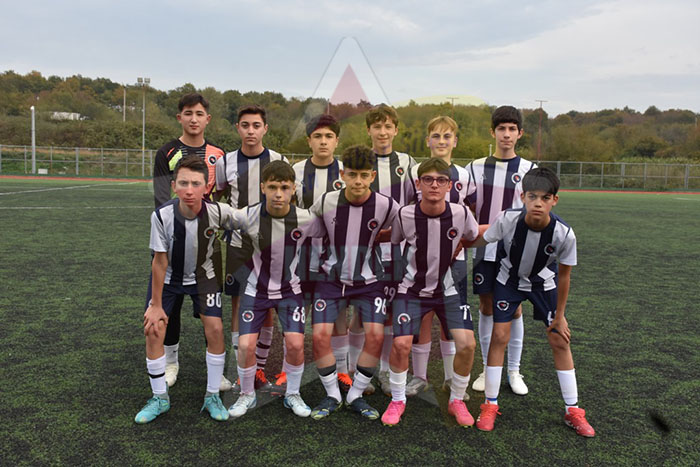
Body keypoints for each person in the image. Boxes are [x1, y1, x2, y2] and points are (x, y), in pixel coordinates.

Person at [473, 167, 595, 437]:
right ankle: (490, 404)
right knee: (499, 336)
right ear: (523, 197)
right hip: (508, 281)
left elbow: (564, 276)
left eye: (545, 198)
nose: (538, 203)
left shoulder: (564, 233)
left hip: (543, 284)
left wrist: (560, 316)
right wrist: (452, 241)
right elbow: (482, 237)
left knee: (559, 339)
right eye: (532, 196)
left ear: (554, 200)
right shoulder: (508, 219)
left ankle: (573, 410)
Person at [380, 158, 479, 427]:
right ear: (418, 183)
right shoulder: (405, 214)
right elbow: (395, 239)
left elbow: (472, 235)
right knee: (401, 343)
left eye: (440, 180)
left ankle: (456, 399)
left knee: (467, 344)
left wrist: (460, 245)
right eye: (428, 179)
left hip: (449, 291)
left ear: (449, 185)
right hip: (411, 290)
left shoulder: (461, 213)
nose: (434, 185)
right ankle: (397, 399)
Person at [135, 156, 230, 424]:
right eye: (184, 183)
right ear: (174, 186)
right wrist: (155, 305)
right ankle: (159, 398)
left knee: (215, 328)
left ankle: (212, 396)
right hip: (169, 279)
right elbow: (159, 261)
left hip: (204, 278)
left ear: (206, 187)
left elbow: (250, 223)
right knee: (154, 328)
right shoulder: (161, 215)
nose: (189, 190)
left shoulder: (218, 212)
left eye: (196, 183)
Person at [227, 161, 325, 418]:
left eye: (284, 187)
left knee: (295, 344)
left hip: (290, 291)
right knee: (245, 345)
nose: (278, 194)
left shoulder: (305, 219)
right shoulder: (248, 215)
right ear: (263, 188)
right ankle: (246, 394)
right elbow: (220, 216)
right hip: (255, 290)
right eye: (272, 187)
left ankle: (293, 393)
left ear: (293, 189)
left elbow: (334, 229)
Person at [309, 145, 399, 420]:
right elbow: (310, 230)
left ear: (372, 175)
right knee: (319, 335)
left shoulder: (386, 205)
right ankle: (333, 395)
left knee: (375, 335)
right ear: (342, 174)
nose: (358, 181)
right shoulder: (326, 201)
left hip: (369, 281)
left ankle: (355, 394)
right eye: (352, 174)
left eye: (363, 175)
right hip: (330, 279)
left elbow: (404, 228)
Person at [150, 93, 229, 391]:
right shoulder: (167, 152)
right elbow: (161, 197)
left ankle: (216, 371)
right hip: (173, 241)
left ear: (207, 118)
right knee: (169, 305)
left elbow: (221, 196)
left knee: (210, 313)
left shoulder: (218, 155)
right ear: (179, 117)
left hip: (207, 246)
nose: (193, 119)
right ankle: (171, 362)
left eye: (198, 113)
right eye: (187, 113)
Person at [215, 105, 288, 392]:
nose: (250, 131)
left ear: (265, 129)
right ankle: (240, 369)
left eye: (256, 125)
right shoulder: (226, 162)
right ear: (238, 128)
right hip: (238, 244)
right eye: (245, 125)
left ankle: (258, 368)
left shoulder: (278, 159)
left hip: (270, 243)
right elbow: (219, 194)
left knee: (266, 305)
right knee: (239, 303)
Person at [466, 106, 537, 396]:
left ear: (520, 133)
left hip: (516, 252)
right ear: (492, 132)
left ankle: (514, 370)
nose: (506, 134)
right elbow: (467, 209)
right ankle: (487, 368)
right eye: (501, 129)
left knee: (515, 308)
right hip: (485, 250)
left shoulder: (530, 169)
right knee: (486, 306)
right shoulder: (475, 167)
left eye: (512, 129)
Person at [402, 116, 472, 397]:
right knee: (423, 317)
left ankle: (450, 377)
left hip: (454, 258)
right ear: (428, 140)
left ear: (455, 141)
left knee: (450, 319)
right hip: (421, 257)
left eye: (447, 136)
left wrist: (461, 241)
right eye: (436, 136)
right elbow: (408, 209)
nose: (441, 141)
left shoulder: (464, 174)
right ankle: (419, 376)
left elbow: (470, 212)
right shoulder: (414, 172)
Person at [285, 114, 352, 394]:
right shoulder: (297, 171)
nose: (323, 142)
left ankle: (343, 370)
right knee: (295, 312)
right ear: (309, 141)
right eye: (318, 136)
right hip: (301, 256)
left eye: (328, 137)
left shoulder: (346, 172)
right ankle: (287, 368)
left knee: (339, 315)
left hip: (336, 257)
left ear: (337, 141)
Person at [363, 104, 417, 395]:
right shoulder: (361, 161)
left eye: (387, 127)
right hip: (366, 250)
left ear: (396, 130)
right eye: (377, 126)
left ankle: (385, 371)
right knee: (365, 312)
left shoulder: (407, 162)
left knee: (393, 312)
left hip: (398, 251)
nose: (382, 132)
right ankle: (360, 370)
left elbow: (415, 204)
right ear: (368, 130)